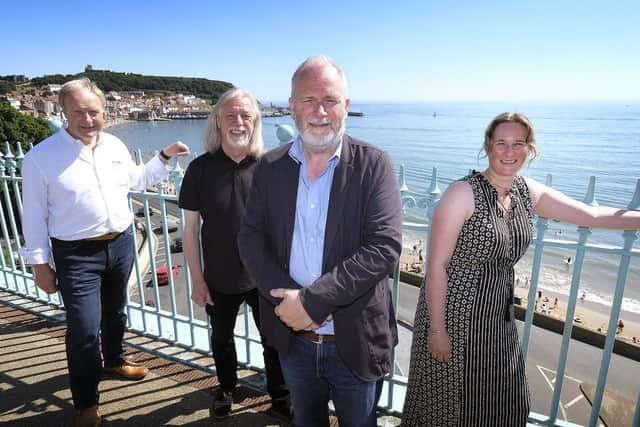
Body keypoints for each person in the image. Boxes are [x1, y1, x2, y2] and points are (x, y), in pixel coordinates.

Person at [401, 112, 640, 426]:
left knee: (507, 399)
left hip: (497, 314)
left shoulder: (527, 192)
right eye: (501, 143)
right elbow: (436, 265)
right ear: (488, 146)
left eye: (518, 144)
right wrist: (437, 330)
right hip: (453, 313)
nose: (509, 151)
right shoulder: (463, 193)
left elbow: (590, 216)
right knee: (449, 404)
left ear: (530, 149)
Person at [237, 55, 403, 427]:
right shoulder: (269, 166)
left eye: (329, 100)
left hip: (355, 340)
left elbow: (384, 245)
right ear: (291, 105)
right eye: (308, 100)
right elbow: (250, 237)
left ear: (345, 106)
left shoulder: (374, 164)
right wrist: (290, 300)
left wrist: (313, 301)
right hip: (292, 340)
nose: (319, 111)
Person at [20, 78, 190, 427]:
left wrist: (163, 156)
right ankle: (85, 402)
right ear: (63, 112)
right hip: (75, 253)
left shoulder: (114, 145)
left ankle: (114, 360)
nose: (87, 119)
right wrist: (40, 265)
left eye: (94, 111)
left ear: (104, 111)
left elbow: (138, 181)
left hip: (122, 242)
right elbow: (33, 216)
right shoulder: (41, 158)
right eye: (78, 112)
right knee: (83, 330)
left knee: (116, 313)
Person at [178, 88, 290, 420]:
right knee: (222, 339)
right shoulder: (199, 169)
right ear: (217, 120)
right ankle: (226, 388)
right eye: (231, 115)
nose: (238, 122)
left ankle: (281, 396)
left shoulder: (271, 167)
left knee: (273, 339)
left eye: (246, 115)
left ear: (255, 122)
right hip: (219, 276)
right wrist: (197, 280)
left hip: (265, 276)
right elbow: (189, 230)